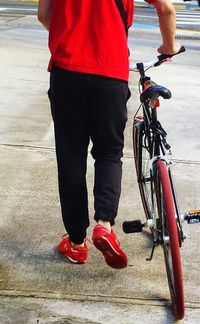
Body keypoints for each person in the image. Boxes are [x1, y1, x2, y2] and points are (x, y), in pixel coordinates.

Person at [38, 0, 181, 269]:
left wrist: (69, 34)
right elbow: (167, 8)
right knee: (109, 153)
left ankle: (77, 244)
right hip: (110, 73)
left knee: (70, 159)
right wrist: (169, 45)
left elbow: (44, 14)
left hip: (66, 73)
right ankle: (104, 225)